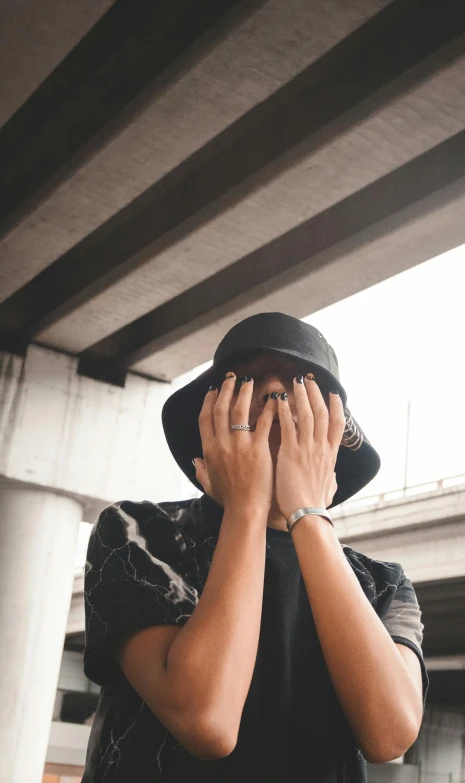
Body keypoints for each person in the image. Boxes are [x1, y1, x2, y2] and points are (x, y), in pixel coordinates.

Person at [81, 312, 428, 783]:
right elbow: (207, 721)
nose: (274, 393)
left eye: (302, 383)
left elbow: (389, 735)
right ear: (211, 415)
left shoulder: (382, 583)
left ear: (334, 429)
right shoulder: (141, 532)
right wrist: (246, 507)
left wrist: (307, 513)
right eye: (244, 379)